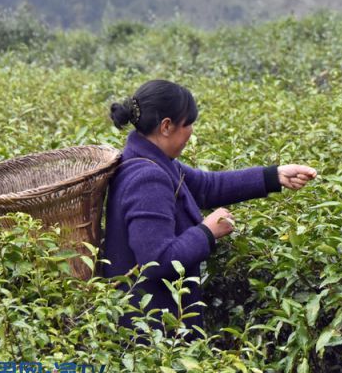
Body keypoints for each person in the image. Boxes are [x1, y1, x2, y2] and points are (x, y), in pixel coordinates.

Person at [104, 79, 317, 337]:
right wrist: (206, 232)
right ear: (166, 126)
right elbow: (156, 260)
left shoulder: (154, 161)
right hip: (152, 332)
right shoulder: (147, 178)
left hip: (157, 323)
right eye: (188, 123)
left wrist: (275, 176)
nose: (191, 131)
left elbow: (207, 187)